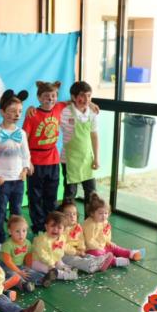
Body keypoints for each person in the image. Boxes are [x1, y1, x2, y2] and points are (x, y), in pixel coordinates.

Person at [0, 90, 31, 244]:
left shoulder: (21, 133)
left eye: (19, 111)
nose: (16, 115)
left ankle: (17, 240)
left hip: (18, 180)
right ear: (2, 112)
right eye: (12, 111)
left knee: (17, 211)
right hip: (2, 181)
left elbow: (26, 154)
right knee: (0, 211)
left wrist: (25, 168)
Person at [22, 81, 68, 234]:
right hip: (36, 161)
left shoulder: (59, 107)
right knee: (35, 197)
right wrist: (27, 161)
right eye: (46, 96)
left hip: (53, 159)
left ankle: (52, 225)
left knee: (51, 196)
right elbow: (24, 138)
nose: (50, 99)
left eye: (53, 95)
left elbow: (76, 102)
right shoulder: (32, 114)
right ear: (39, 98)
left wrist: (92, 105)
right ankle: (39, 227)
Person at [60, 81, 99, 218]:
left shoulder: (92, 113)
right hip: (69, 160)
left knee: (91, 193)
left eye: (89, 96)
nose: (86, 100)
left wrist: (96, 158)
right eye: (82, 96)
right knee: (70, 194)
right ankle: (68, 225)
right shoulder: (64, 112)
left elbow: (94, 136)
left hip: (87, 159)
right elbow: (51, 109)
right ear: (73, 97)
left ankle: (90, 222)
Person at [82, 193, 145, 268]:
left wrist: (108, 242)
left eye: (106, 213)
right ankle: (115, 261)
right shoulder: (90, 224)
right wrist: (99, 247)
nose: (104, 216)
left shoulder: (104, 222)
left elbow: (106, 234)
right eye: (100, 213)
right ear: (92, 213)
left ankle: (130, 253)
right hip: (90, 249)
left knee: (114, 247)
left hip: (102, 246)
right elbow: (89, 241)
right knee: (99, 255)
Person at [0, 215, 55, 292]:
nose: (21, 234)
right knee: (13, 274)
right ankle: (23, 284)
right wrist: (18, 271)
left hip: (19, 265)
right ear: (10, 231)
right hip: (5, 266)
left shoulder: (27, 243)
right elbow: (8, 261)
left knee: (29, 272)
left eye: (24, 231)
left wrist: (28, 267)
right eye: (17, 231)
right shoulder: (7, 244)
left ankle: (42, 279)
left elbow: (28, 255)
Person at [59, 198, 113, 273]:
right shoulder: (61, 229)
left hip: (77, 251)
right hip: (65, 254)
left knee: (87, 256)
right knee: (75, 260)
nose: (72, 216)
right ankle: (91, 266)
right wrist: (75, 252)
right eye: (68, 214)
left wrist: (82, 249)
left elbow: (81, 239)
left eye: (74, 214)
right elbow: (63, 245)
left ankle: (99, 261)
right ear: (62, 216)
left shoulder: (77, 227)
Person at [31, 211, 78, 280]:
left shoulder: (62, 238)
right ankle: (62, 275)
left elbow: (65, 247)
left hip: (54, 259)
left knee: (60, 264)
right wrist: (51, 263)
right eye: (52, 226)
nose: (55, 229)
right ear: (46, 227)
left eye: (59, 227)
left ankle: (66, 269)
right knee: (48, 269)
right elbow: (42, 254)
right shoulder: (41, 240)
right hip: (38, 261)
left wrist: (75, 251)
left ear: (64, 230)